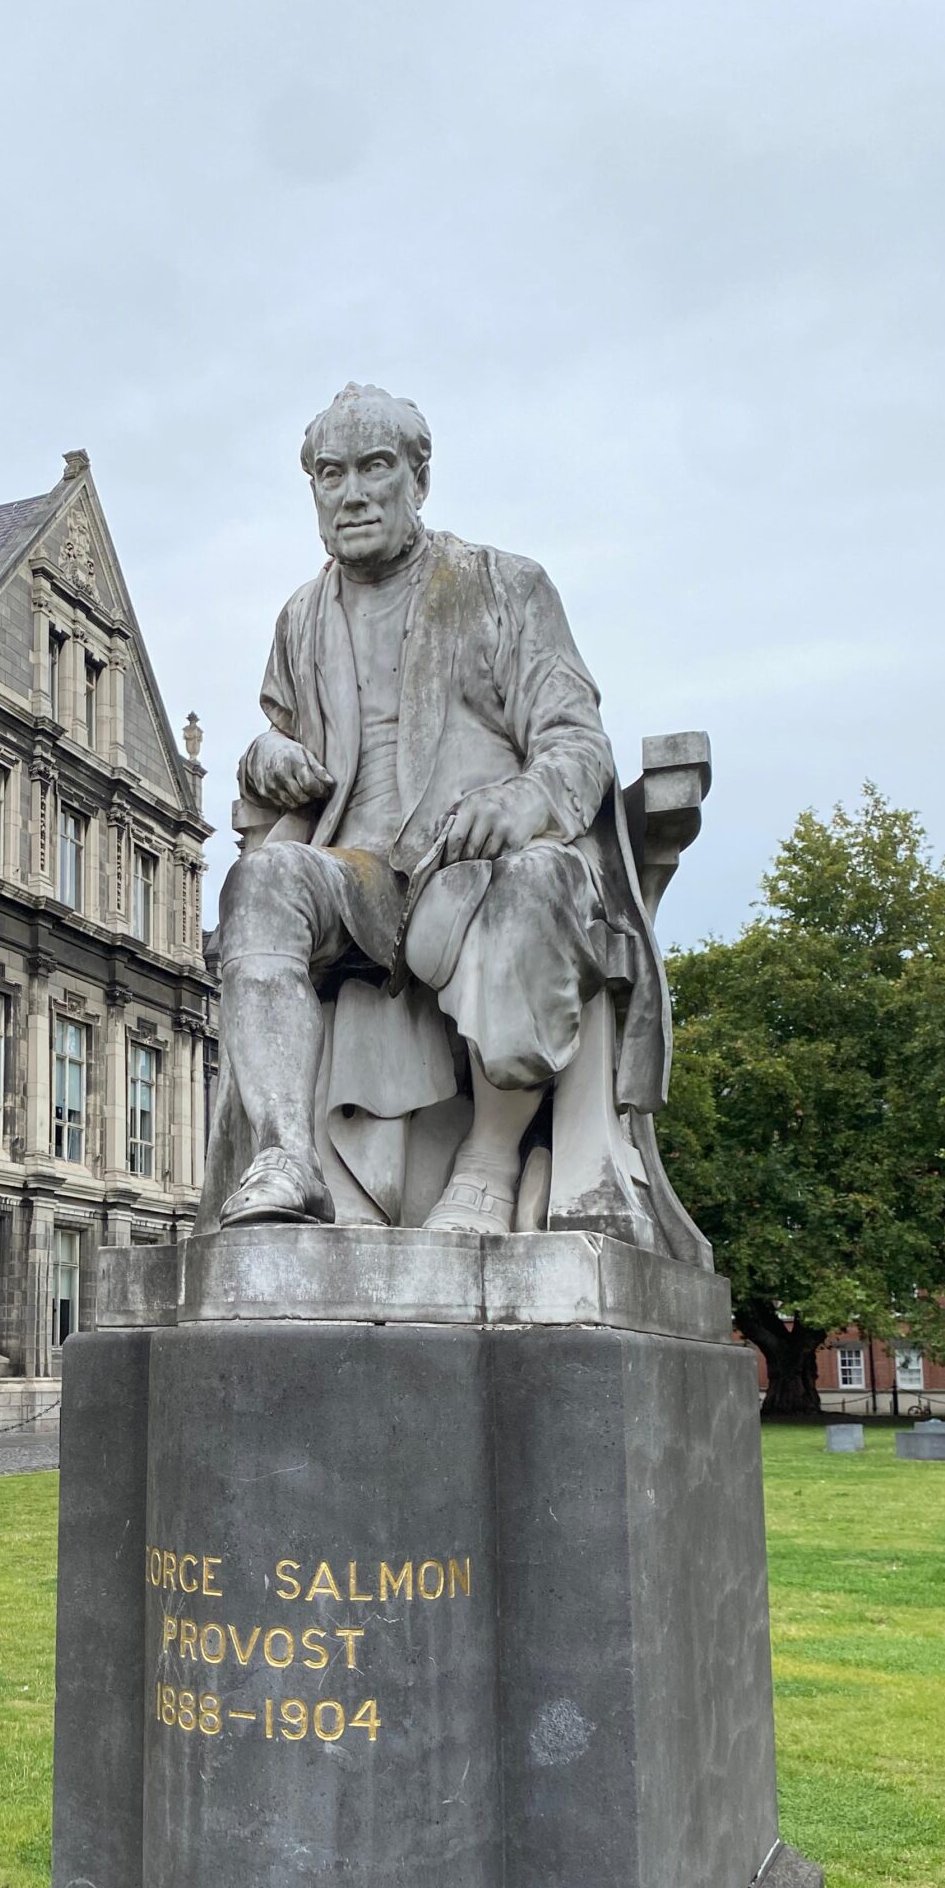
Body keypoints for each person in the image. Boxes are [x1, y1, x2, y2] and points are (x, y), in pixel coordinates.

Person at [204, 382, 670, 1243]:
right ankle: (285, 1158)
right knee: (259, 882)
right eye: (330, 474)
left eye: (374, 467)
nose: (351, 493)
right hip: (359, 874)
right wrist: (265, 756)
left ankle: (488, 1164)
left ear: (417, 479)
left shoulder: (504, 585)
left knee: (533, 884)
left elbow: (575, 740)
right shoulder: (300, 616)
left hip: (478, 863)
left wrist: (525, 799)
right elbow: (282, 741)